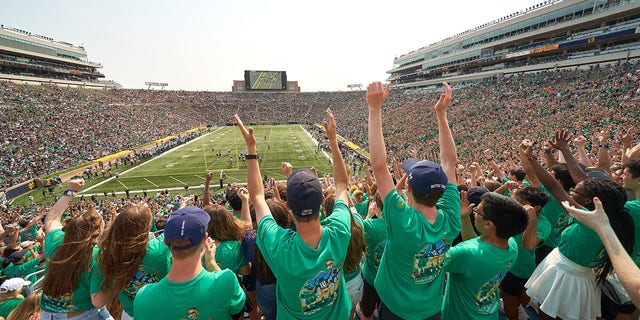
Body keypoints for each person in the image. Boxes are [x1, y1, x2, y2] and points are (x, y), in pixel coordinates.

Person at [235, 109, 352, 319]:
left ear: (288, 206)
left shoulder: (280, 246)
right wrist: (333, 141)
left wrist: (252, 149)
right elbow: (342, 185)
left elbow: (258, 197)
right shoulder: (339, 230)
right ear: (323, 201)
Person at [367, 81, 461, 319]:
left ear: (407, 186)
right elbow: (450, 162)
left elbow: (379, 167)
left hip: (395, 307)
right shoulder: (451, 218)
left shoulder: (404, 221)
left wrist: (374, 110)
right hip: (431, 308)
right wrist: (441, 114)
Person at [522, 139, 635, 320]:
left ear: (590, 200)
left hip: (565, 275)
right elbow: (579, 180)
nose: (571, 192)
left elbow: (553, 186)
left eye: (575, 191)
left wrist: (531, 157)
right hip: (580, 276)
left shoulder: (590, 220)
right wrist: (563, 151)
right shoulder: (614, 219)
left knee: (548, 314)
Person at [133, 206, 246, 320]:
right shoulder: (226, 280)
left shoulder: (143, 297)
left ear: (166, 243)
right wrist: (211, 263)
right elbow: (238, 311)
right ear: (204, 239)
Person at [441, 192, 528, 319]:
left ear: (489, 224)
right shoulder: (511, 245)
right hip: (488, 314)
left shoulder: (464, 254)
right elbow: (477, 247)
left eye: (477, 211)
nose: (474, 213)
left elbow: (430, 260)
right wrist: (465, 218)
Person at [39, 178, 112, 320]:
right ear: (96, 232)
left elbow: (51, 219)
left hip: (48, 314)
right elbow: (98, 301)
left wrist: (70, 191)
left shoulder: (56, 240)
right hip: (82, 315)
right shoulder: (97, 257)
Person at [98, 205, 171, 320]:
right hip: (160, 311)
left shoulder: (108, 252)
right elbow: (172, 228)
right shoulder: (159, 249)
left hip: (130, 312)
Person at [499, 187, 551, 320]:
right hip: (505, 261)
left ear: (537, 207)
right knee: (510, 297)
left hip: (519, 268)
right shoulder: (517, 213)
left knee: (509, 300)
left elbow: (528, 245)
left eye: (521, 204)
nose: (517, 205)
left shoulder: (543, 224)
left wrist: (531, 220)